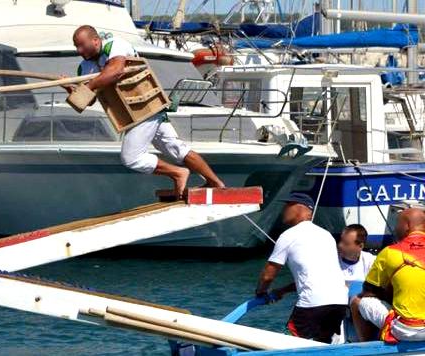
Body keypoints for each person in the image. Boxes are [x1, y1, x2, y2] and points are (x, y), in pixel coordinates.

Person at [68, 25, 224, 196]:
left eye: (82, 45)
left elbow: (116, 70)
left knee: (131, 158)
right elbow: (89, 101)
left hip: (145, 107)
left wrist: (88, 85)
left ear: (96, 40)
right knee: (176, 148)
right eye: (77, 46)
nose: (79, 50)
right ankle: (216, 183)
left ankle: (178, 173)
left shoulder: (114, 45)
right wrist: (71, 89)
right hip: (134, 114)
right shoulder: (84, 67)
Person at [255, 193, 348, 343]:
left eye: (287, 206)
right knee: (322, 345)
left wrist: (261, 292)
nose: (283, 210)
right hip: (339, 303)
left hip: (313, 305)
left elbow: (268, 275)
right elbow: (316, 277)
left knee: (293, 343)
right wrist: (283, 290)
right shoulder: (327, 235)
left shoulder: (288, 236)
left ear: (300, 208)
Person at [351, 208, 425, 342]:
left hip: (408, 330)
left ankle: (366, 347)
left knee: (357, 301)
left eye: (398, 223)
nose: (395, 228)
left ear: (407, 226)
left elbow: (369, 292)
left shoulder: (390, 252)